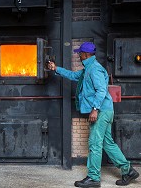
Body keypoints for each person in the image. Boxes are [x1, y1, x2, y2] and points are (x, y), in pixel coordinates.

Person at [47, 42, 139, 187]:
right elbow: (72, 75)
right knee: (107, 143)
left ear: (86, 54)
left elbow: (101, 90)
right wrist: (56, 68)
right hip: (106, 110)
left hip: (101, 111)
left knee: (95, 143)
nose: (78, 55)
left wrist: (95, 109)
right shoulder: (88, 69)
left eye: (80, 53)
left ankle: (93, 178)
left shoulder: (94, 69)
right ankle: (128, 171)